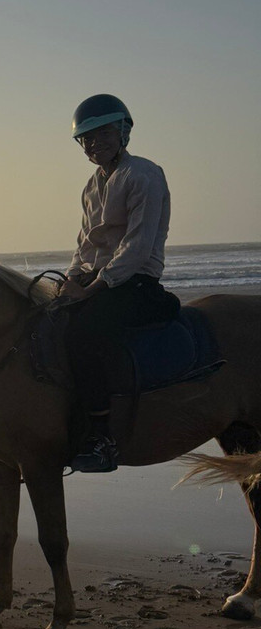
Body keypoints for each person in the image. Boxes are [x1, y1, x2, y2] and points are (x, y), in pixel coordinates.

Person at [58, 94, 180, 473]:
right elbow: (85, 244)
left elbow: (137, 247)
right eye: (86, 139)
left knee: (82, 333)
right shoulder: (92, 185)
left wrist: (93, 288)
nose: (94, 144)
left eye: (103, 133)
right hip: (99, 279)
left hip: (134, 282)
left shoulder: (143, 174)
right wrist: (71, 281)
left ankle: (101, 436)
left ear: (123, 131)